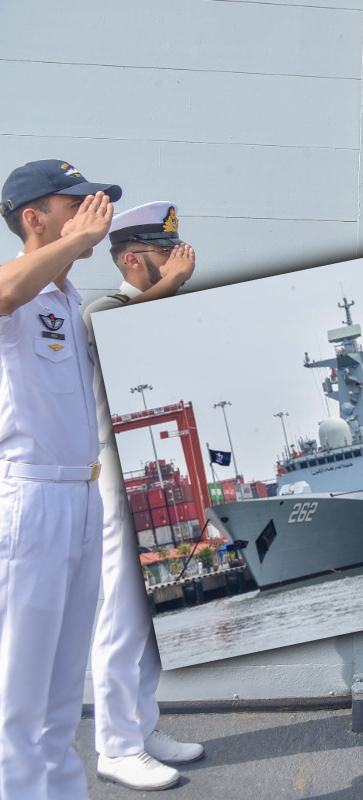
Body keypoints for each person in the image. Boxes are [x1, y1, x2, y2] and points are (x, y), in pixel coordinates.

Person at [0, 160, 119, 799]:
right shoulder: (18, 292)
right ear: (33, 218)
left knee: (62, 691)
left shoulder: (69, 299)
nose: (93, 212)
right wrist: (78, 243)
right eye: (75, 203)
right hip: (32, 496)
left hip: (82, 494)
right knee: (16, 693)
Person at [85, 202, 201, 791]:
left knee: (153, 618)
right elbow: (114, 333)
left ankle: (143, 728)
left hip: (146, 478)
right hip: (112, 475)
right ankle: (115, 746)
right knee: (123, 617)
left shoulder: (158, 311)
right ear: (132, 259)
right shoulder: (103, 309)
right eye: (166, 252)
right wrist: (172, 287)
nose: (180, 259)